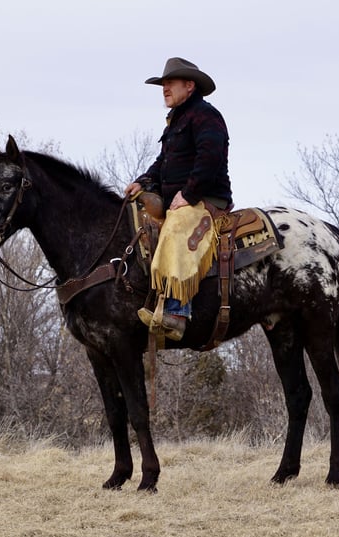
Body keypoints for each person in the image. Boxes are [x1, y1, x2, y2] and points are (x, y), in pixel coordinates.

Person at [125, 57, 233, 341]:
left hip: (206, 199)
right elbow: (162, 164)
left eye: (170, 83)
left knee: (176, 227)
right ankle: (151, 301)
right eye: (163, 84)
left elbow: (210, 160)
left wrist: (187, 194)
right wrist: (142, 182)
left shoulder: (206, 116)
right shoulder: (176, 122)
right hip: (180, 199)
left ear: (189, 85)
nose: (164, 89)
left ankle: (177, 312)